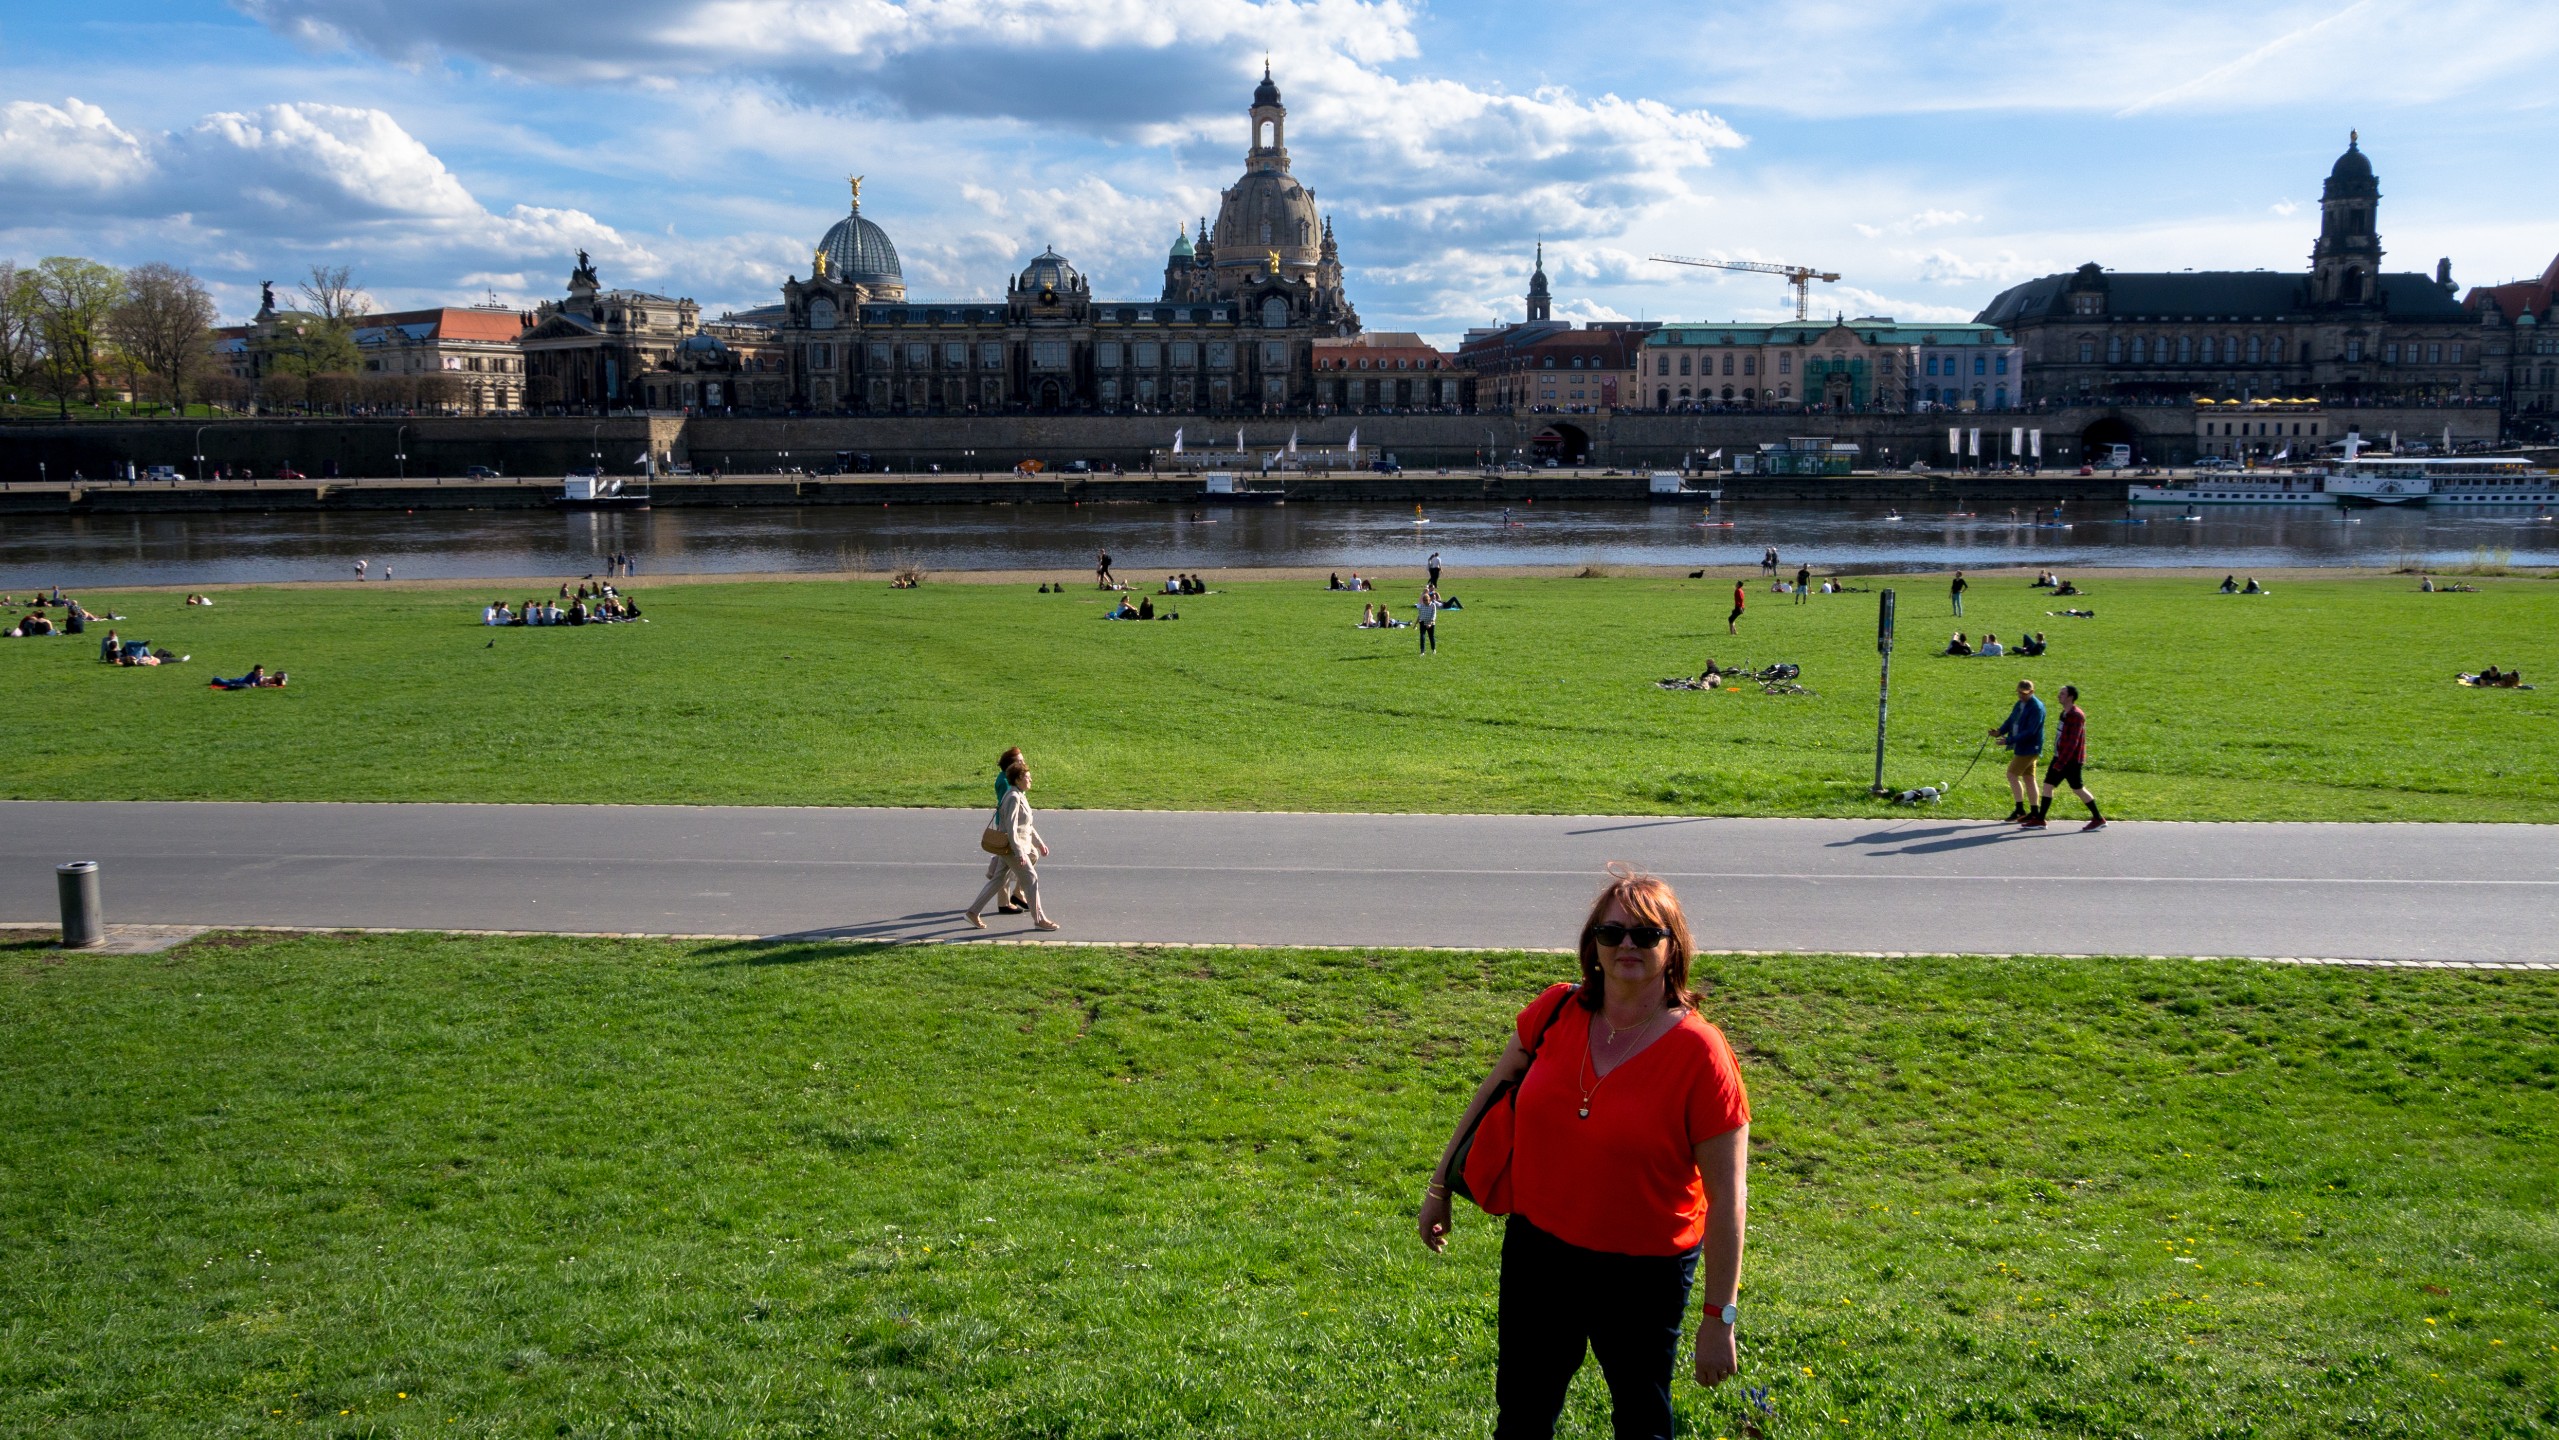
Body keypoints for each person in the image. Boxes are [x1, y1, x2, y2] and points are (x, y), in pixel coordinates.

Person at [1416, 869, 1751, 1439]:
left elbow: (1728, 1198)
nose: (1627, 944)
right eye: (1611, 932)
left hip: (1644, 1272)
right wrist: (1440, 1184)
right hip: (1539, 1252)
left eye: (1646, 934)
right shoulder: (1555, 1011)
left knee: (1641, 1424)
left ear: (1673, 948)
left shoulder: (1702, 1053)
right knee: (1521, 1418)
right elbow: (1489, 1095)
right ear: (1592, 945)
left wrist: (1719, 1319)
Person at [966, 760, 1056, 930]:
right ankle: (1039, 920)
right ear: (1018, 779)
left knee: (998, 880)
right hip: (1013, 849)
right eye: (1028, 777)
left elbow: (1027, 825)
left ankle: (972, 912)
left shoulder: (1019, 795)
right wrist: (1020, 853)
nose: (1030, 780)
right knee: (1031, 878)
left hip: (1012, 848)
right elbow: (1011, 828)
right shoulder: (1013, 797)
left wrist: (1039, 843)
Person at [2029, 683, 2104, 831]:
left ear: (2071, 697)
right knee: (2055, 786)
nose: (2059, 695)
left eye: (2062, 693)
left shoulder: (2076, 716)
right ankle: (2040, 819)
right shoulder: (2064, 713)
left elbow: (2072, 742)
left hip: (2069, 760)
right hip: (2061, 757)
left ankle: (2098, 818)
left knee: (2075, 788)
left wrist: (2061, 762)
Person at [1989, 679, 2047, 823]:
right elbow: (2011, 720)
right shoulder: (2020, 704)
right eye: (2019, 693)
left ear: (2032, 692)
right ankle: (2034, 812)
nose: (2021, 696)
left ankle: (2020, 808)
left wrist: (2009, 740)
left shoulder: (2036, 708)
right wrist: (1999, 731)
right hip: (2023, 746)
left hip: (2029, 747)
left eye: (2024, 693)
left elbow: (2030, 731)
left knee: (2011, 774)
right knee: (2029, 778)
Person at [1416, 586, 1439, 655]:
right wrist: (1416, 623)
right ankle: (1422, 651)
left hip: (1430, 623)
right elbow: (1420, 615)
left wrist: (1430, 623)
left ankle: (1433, 649)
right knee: (1422, 636)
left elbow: (1434, 615)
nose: (1425, 602)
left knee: (1431, 637)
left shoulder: (1433, 605)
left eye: (1426, 600)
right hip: (1422, 622)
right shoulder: (1421, 606)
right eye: (1424, 600)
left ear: (1429, 600)